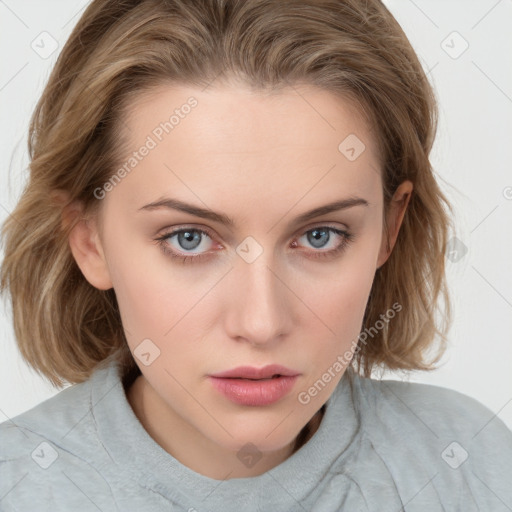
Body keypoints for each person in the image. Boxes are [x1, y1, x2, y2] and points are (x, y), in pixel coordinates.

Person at [1, 0, 511, 510]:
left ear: (389, 227)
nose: (261, 323)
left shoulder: (468, 465)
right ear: (89, 239)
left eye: (320, 236)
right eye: (189, 239)